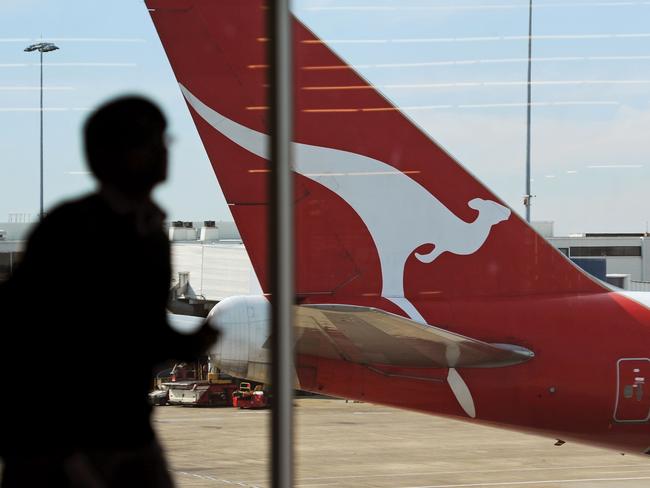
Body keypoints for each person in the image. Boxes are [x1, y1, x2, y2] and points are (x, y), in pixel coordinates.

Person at [0, 96, 218, 487]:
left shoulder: (148, 231)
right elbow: (33, 340)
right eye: (152, 141)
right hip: (72, 442)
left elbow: (134, 330)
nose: (165, 151)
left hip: (126, 431)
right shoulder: (73, 231)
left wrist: (191, 344)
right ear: (117, 155)